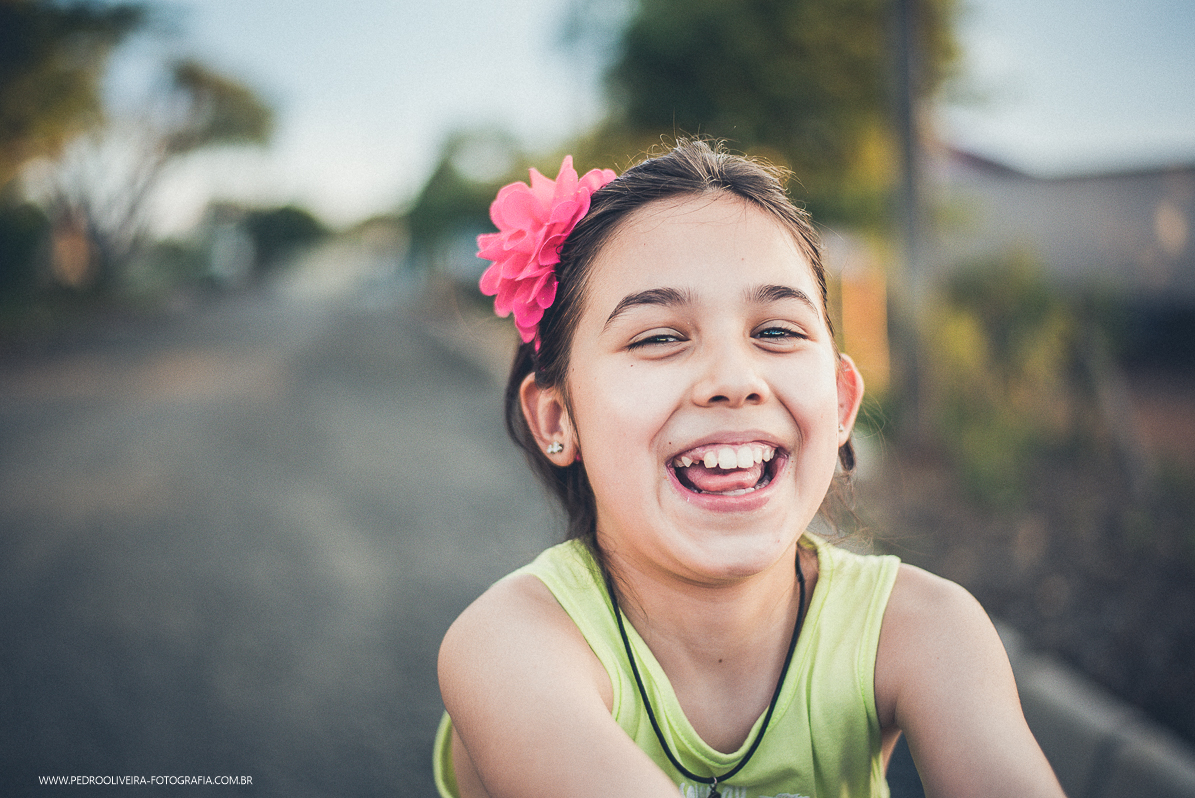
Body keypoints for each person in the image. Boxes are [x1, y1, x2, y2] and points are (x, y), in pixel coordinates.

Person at [434, 139, 1064, 798]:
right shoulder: (509, 648)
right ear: (557, 419)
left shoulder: (926, 629)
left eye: (776, 331)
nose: (734, 381)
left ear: (841, 401)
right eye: (657, 337)